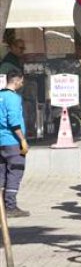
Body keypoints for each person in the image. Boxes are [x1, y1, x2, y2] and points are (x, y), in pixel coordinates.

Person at [0, 70, 29, 217]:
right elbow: (14, 122)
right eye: (21, 81)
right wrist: (22, 140)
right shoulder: (13, 98)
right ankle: (10, 206)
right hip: (12, 142)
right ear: (17, 81)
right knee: (15, 172)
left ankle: (2, 206)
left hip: (1, 142)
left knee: (2, 174)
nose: (22, 84)